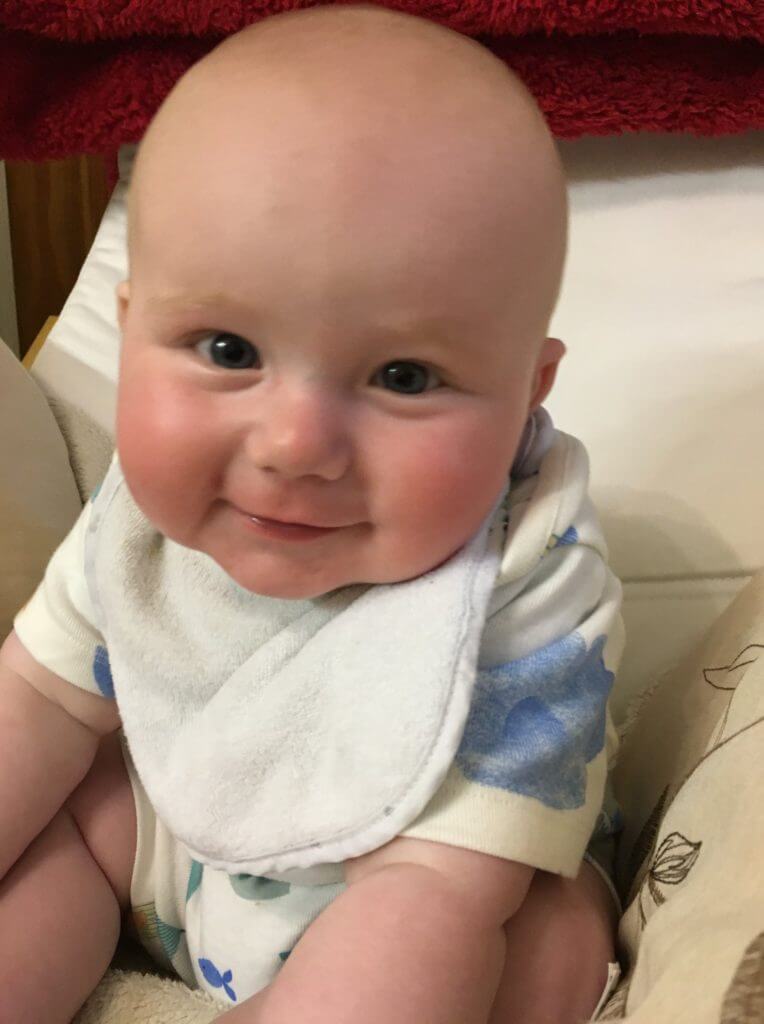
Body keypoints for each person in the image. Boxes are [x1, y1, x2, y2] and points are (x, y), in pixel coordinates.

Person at [0, 6, 624, 1022]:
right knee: (60, 815)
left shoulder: (528, 563)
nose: (294, 445)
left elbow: (449, 880)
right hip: (170, 854)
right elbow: (37, 698)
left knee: (533, 941)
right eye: (229, 351)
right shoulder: (138, 520)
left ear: (526, 394)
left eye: (403, 375)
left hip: (421, 870)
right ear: (129, 333)